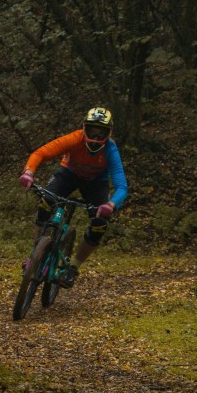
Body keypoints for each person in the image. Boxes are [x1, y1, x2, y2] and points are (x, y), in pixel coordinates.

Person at [18, 107, 128, 288]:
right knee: (47, 202)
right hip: (68, 175)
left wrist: (111, 204)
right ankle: (34, 255)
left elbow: (122, 186)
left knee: (100, 223)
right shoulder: (74, 139)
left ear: (109, 133)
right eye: (92, 130)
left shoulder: (110, 150)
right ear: (84, 128)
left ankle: (73, 267)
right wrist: (28, 172)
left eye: (101, 133)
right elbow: (40, 153)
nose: (95, 136)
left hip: (95, 183)